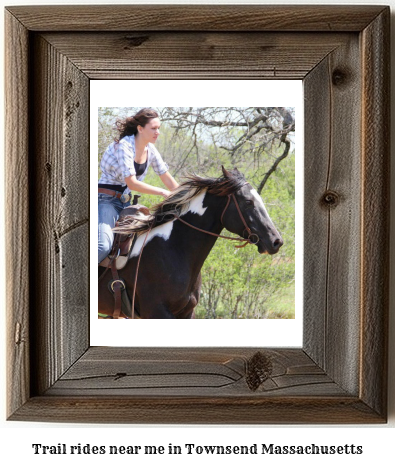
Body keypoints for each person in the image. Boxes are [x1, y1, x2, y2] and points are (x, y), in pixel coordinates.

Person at [98, 108, 178, 263]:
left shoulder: (151, 150)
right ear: (140, 129)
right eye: (153, 128)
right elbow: (132, 183)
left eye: (158, 128)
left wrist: (187, 197)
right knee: (102, 246)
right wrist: (163, 193)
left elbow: (168, 179)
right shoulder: (124, 146)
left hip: (126, 204)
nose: (158, 132)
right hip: (105, 200)